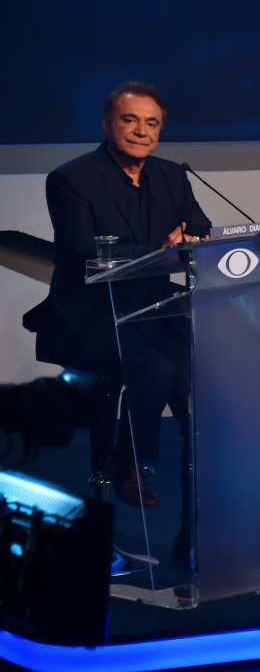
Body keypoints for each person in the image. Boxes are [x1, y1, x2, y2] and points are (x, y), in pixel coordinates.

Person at [24, 81, 211, 506]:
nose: (142, 131)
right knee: (157, 368)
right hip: (89, 312)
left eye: (152, 123)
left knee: (198, 360)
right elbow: (81, 250)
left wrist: (193, 240)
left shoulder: (171, 175)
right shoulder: (71, 179)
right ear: (109, 124)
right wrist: (162, 251)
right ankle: (127, 465)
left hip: (154, 305)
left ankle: (196, 467)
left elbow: (200, 226)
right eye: (131, 120)